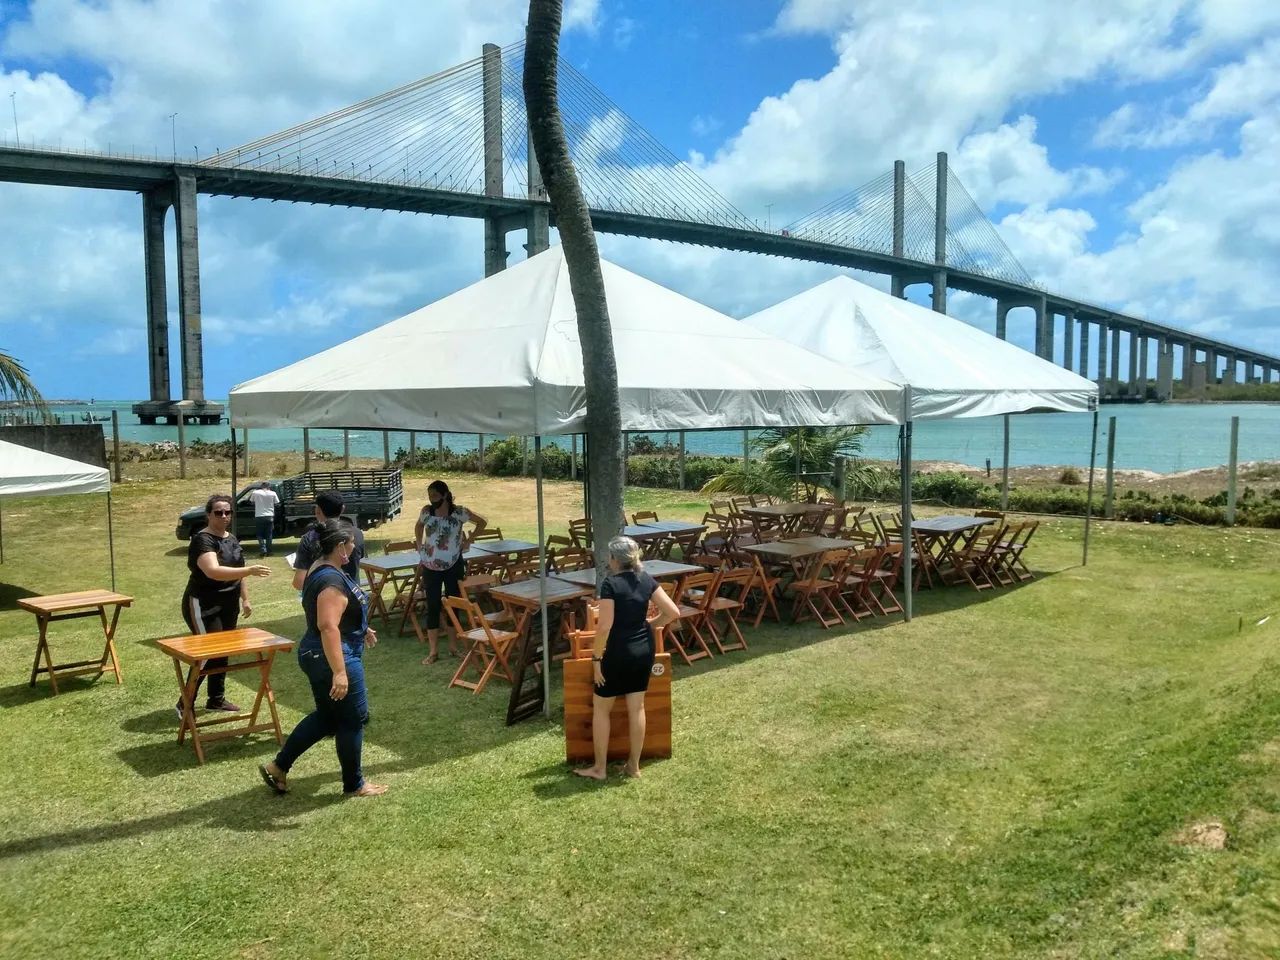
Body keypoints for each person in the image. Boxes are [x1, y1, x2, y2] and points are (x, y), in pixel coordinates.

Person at [258, 519, 387, 798]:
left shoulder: (322, 569)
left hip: (320, 653)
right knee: (353, 719)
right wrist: (339, 672)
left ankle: (278, 766)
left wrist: (361, 628)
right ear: (340, 546)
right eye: (352, 544)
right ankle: (355, 784)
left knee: (329, 718)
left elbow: (338, 616)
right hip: (331, 655)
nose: (355, 549)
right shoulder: (331, 579)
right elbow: (328, 626)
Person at [574, 536, 680, 781]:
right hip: (643, 649)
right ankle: (634, 767)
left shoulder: (610, 583)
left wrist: (596, 659)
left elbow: (605, 627)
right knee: (637, 707)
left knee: (601, 708)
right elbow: (673, 612)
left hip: (616, 652)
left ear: (614, 559)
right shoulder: (646, 579)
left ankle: (600, 768)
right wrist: (652, 625)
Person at [179, 493, 271, 717]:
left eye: (227, 512)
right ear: (208, 515)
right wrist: (249, 570)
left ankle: (216, 699)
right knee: (208, 654)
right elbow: (213, 571)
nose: (223, 516)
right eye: (218, 512)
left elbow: (238, 574)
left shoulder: (232, 538)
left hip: (229, 603)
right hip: (203, 603)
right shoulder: (203, 540)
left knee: (223, 652)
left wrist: (245, 599)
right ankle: (184, 703)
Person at [413, 480, 486, 665]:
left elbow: (482, 522)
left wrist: (469, 540)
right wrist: (420, 545)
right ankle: (433, 651)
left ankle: (454, 647)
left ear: (445, 495)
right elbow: (418, 526)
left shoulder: (459, 512)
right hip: (430, 566)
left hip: (454, 564)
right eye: (430, 496)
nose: (432, 499)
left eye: (435, 496)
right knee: (433, 606)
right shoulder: (426, 512)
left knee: (454, 604)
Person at [292, 491, 366, 590]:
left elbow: (299, 583)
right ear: (343, 509)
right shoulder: (357, 533)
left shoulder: (309, 538)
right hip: (353, 595)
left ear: (317, 510)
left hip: (324, 597)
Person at [247, 480, 281, 557]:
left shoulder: (256, 492)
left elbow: (251, 502)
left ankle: (263, 549)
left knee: (259, 534)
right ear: (269, 487)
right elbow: (277, 503)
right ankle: (269, 551)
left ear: (261, 486)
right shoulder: (273, 493)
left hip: (259, 516)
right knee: (269, 535)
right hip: (269, 516)